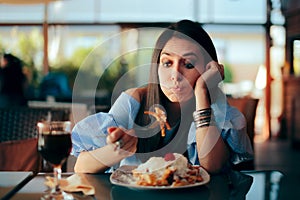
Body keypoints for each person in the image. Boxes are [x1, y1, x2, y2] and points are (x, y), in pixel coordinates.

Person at [71, 19, 253, 174]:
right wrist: (118, 149)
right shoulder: (135, 100)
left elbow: (213, 167)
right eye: (167, 63)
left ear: (207, 69)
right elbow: (81, 167)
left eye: (188, 64)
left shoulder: (216, 108)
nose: (175, 75)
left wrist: (202, 91)